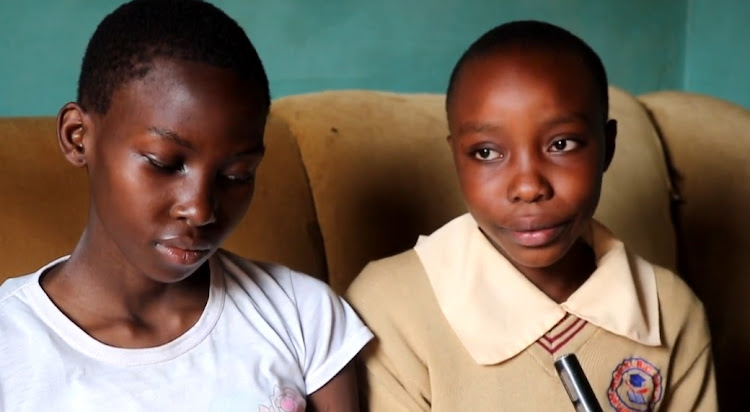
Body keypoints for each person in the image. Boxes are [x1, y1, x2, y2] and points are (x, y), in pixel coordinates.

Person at [0, 1, 372, 410]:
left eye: (236, 176)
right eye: (165, 164)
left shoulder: (302, 315)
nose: (200, 210)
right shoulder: (12, 347)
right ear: (77, 137)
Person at [346, 20, 716, 411]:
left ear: (607, 147)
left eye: (562, 144)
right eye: (487, 152)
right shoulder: (391, 305)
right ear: (456, 158)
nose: (528, 186)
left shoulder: (670, 310)